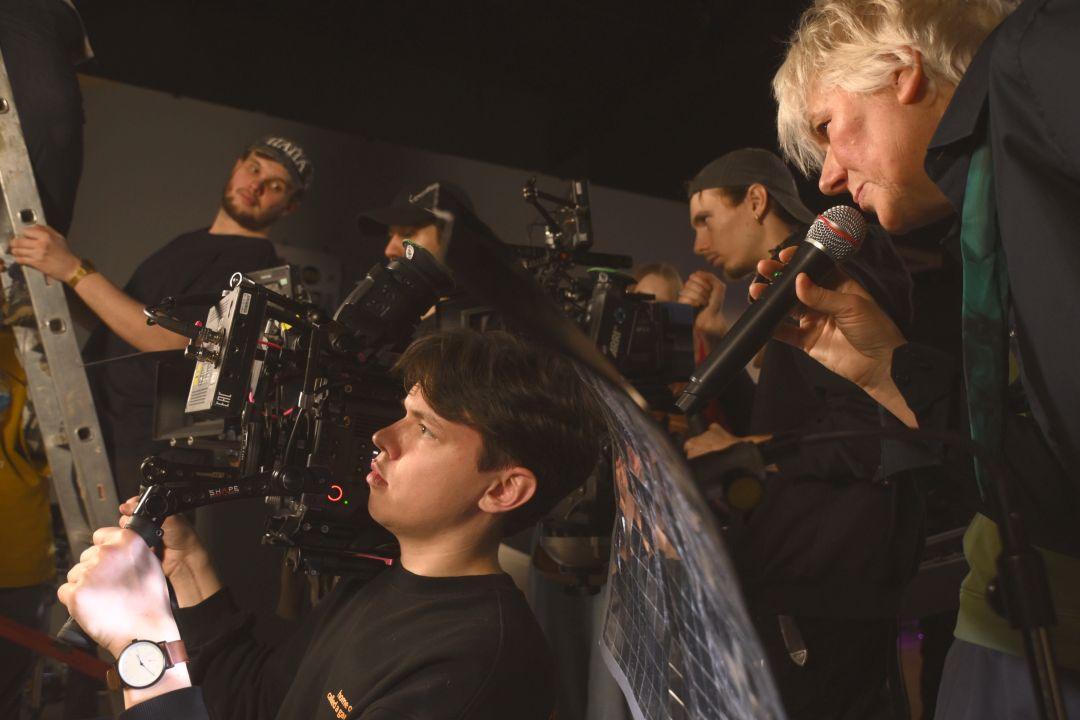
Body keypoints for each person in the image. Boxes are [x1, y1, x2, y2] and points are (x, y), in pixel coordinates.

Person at [770, 0, 1080, 715]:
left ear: (901, 71)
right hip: (1018, 630)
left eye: (827, 127)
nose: (828, 178)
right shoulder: (984, 207)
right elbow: (1044, 483)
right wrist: (883, 365)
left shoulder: (1037, 56)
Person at [57, 328, 607, 719]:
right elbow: (257, 703)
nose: (383, 438)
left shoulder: (480, 666)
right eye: (404, 414)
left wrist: (143, 648)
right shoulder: (380, 578)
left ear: (503, 490)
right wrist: (187, 567)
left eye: (425, 430)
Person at [679, 148, 919, 719]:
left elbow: (873, 431)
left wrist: (747, 449)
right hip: (808, 575)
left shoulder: (830, 275)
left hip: (830, 585)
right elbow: (787, 420)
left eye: (705, 219)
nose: (698, 244)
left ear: (755, 200)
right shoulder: (788, 282)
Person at [9, 136, 312, 500]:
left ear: (289, 206)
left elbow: (173, 340)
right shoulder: (190, 242)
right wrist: (57, 284)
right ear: (237, 166)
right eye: (254, 169)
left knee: (125, 539)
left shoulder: (251, 260)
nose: (256, 185)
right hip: (100, 420)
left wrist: (74, 270)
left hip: (142, 446)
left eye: (275, 186)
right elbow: (124, 323)